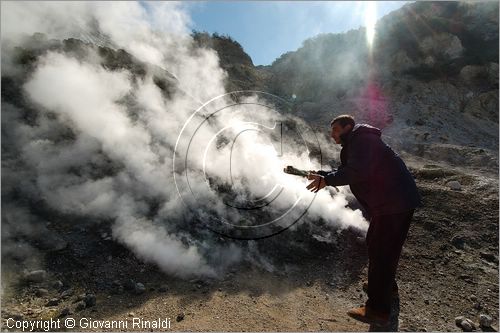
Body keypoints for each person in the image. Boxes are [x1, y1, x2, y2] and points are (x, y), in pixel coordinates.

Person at [306, 114, 421, 325]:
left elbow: (356, 172)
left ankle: (378, 310)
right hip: (395, 202)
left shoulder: (361, 140)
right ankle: (386, 289)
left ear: (348, 127)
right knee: (382, 248)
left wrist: (327, 180)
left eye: (335, 130)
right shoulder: (360, 141)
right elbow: (348, 170)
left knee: (381, 251)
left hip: (392, 204)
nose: (332, 135)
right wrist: (323, 175)